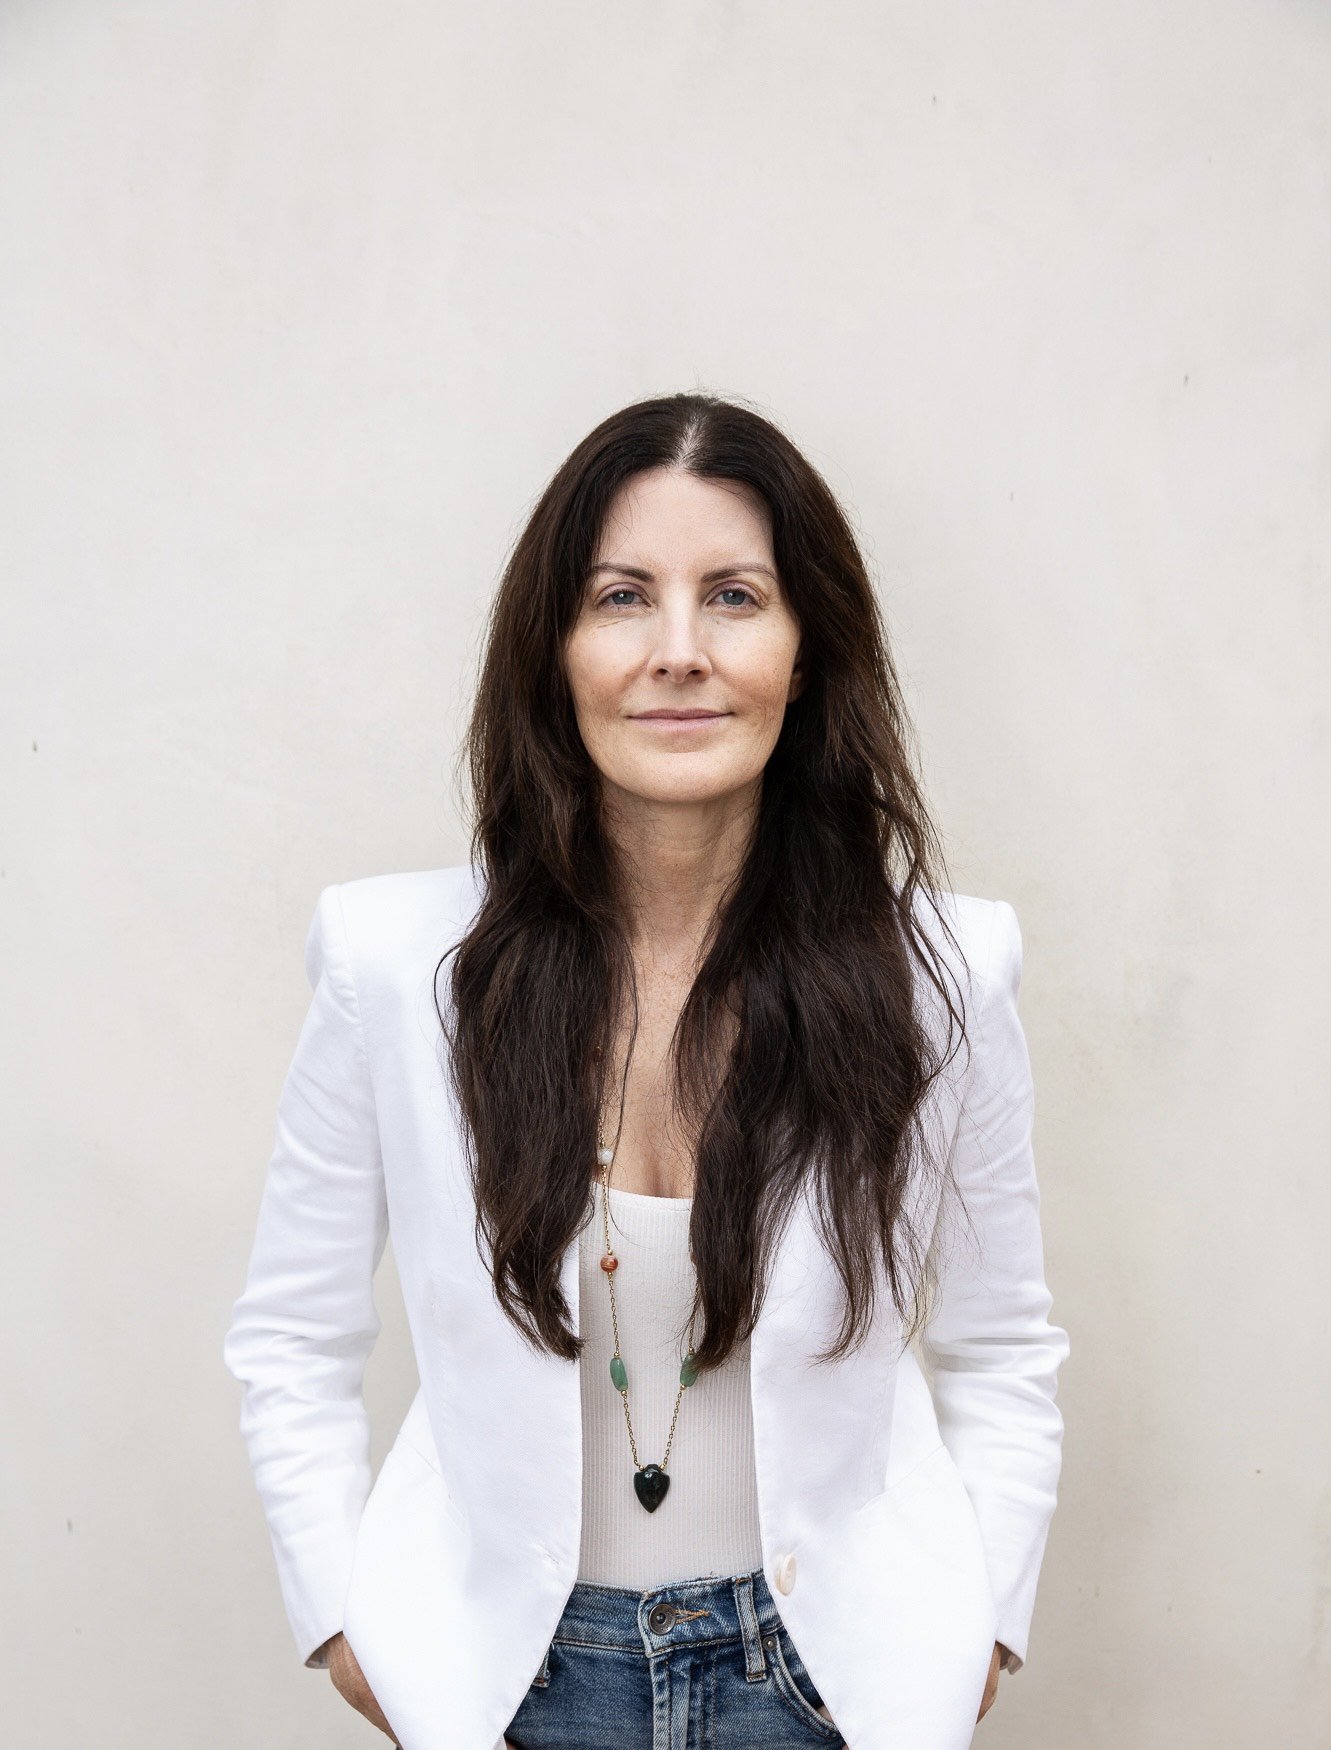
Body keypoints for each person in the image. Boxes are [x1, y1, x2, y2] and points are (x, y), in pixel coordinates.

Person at [223, 391, 1070, 1750]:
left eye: (735, 596)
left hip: (831, 1679)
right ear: (555, 652)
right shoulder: (391, 963)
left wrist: (986, 1625)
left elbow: (1004, 1343)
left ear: (806, 651)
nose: (680, 651)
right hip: (512, 1676)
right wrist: (341, 1617)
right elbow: (292, 1333)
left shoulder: (944, 973)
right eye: (622, 597)